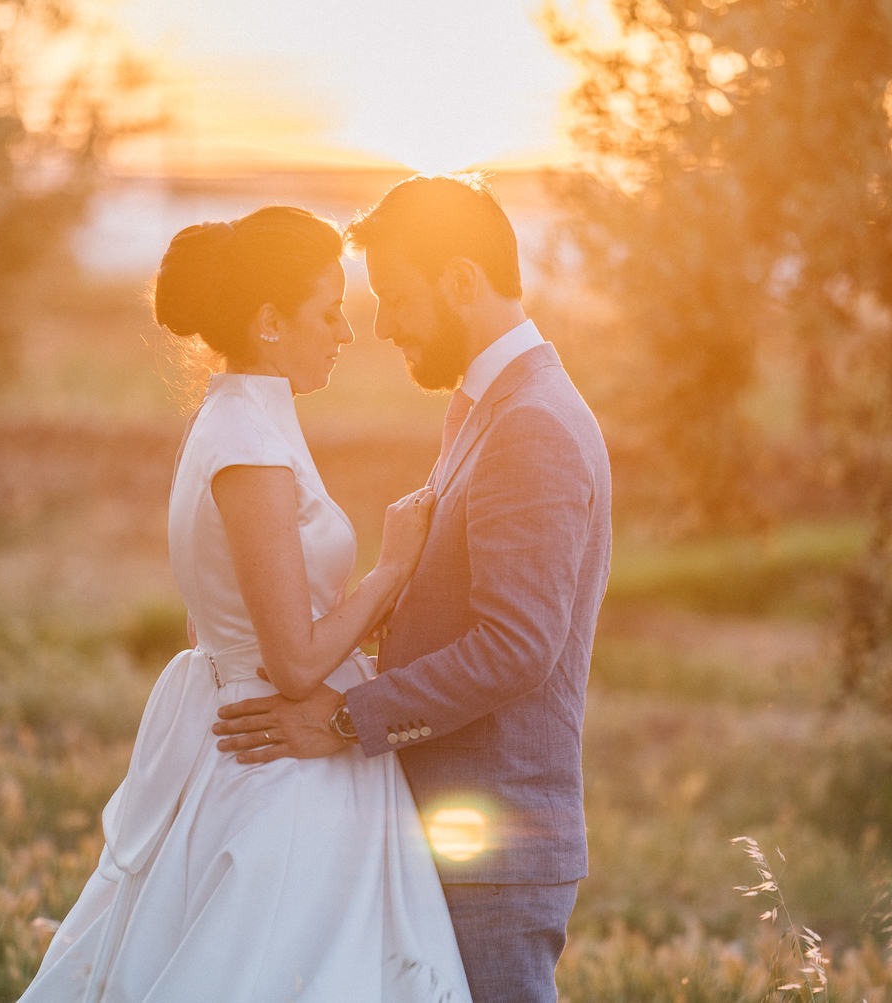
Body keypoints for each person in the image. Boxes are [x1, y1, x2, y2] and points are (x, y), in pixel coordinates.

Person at [19, 205, 472, 1002]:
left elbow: (211, 618)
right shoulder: (251, 446)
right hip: (278, 761)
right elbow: (294, 663)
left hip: (246, 731)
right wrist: (390, 574)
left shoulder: (238, 419)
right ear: (269, 322)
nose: (345, 330)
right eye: (327, 311)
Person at [214, 174, 613, 1003]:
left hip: (491, 851)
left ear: (462, 282)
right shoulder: (484, 408)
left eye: (396, 297)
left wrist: (342, 719)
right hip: (442, 834)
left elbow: (516, 648)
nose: (383, 324)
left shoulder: (531, 422)